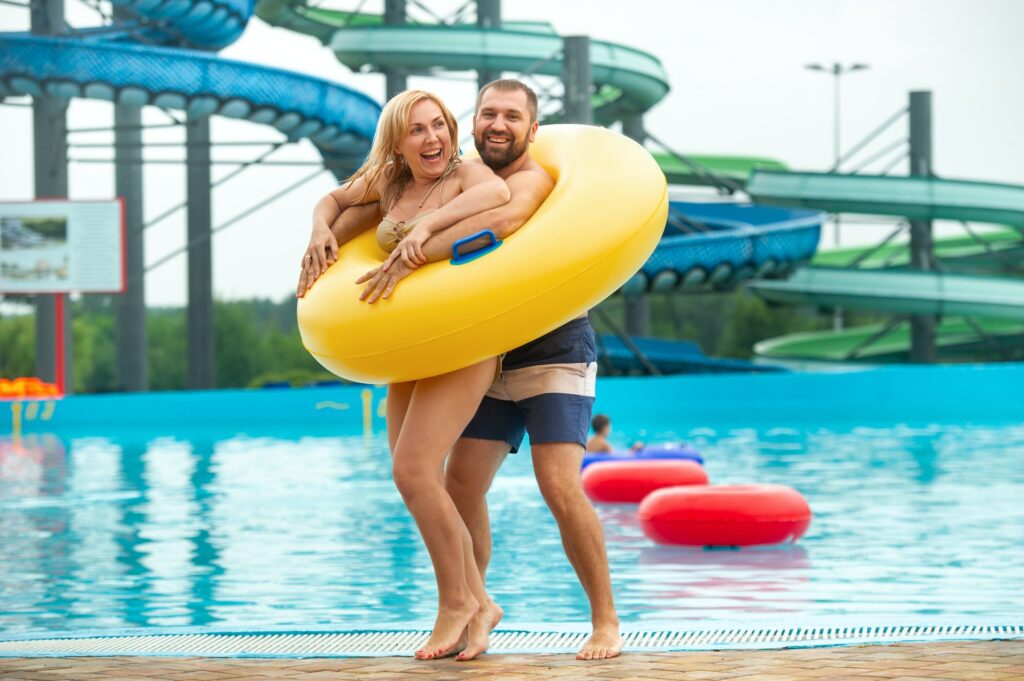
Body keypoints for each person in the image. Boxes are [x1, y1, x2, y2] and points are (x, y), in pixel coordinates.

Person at [299, 79, 623, 661]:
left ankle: (604, 621)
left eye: (512, 117)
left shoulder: (522, 179)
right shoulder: (424, 172)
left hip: (549, 345)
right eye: (488, 114)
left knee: (557, 484)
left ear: (532, 128)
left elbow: (503, 222)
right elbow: (354, 206)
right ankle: (473, 608)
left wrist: (421, 238)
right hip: (472, 339)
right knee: (457, 485)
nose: (498, 125)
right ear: (472, 122)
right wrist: (323, 230)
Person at [298, 89, 511, 661]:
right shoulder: (392, 185)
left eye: (439, 125)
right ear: (398, 141)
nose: (433, 138)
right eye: (417, 130)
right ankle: (479, 600)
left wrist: (428, 226)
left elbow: (498, 192)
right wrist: (321, 228)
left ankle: (457, 603)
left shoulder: (466, 174)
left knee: (414, 469)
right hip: (409, 347)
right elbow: (333, 199)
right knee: (413, 479)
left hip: (463, 340)